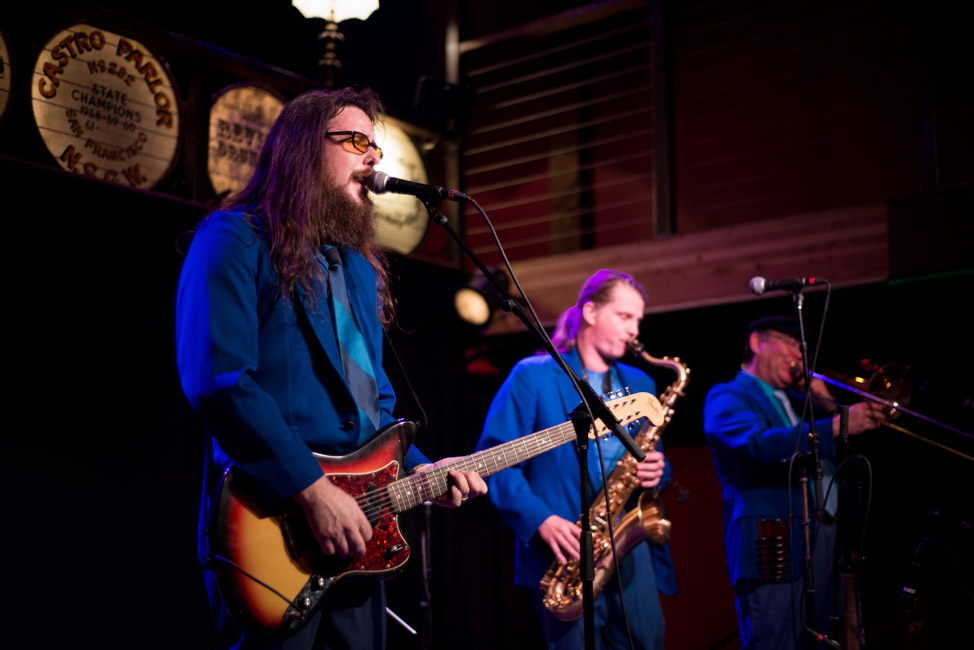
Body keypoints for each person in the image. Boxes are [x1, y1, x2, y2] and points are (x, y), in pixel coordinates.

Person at [175, 86, 486, 650]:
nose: (374, 158)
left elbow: (375, 407)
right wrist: (312, 491)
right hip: (275, 528)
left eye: (376, 145)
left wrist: (420, 469)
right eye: (356, 141)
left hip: (356, 547)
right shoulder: (235, 238)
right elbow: (220, 382)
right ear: (301, 148)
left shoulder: (359, 270)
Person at [476, 269, 677, 650]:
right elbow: (493, 460)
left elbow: (654, 456)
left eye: (638, 319)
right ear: (589, 312)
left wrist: (659, 471)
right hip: (563, 553)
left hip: (631, 551)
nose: (635, 329)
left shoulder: (643, 382)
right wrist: (541, 521)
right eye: (624, 316)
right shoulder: (532, 376)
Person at [703, 314, 886, 649]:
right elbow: (758, 444)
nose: (799, 358)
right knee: (775, 642)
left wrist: (824, 403)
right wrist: (834, 425)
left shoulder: (797, 401)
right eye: (790, 345)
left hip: (820, 539)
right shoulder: (727, 395)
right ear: (759, 342)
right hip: (775, 544)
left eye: (803, 351)